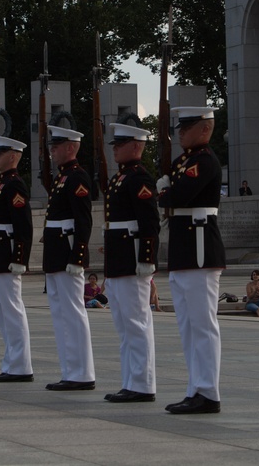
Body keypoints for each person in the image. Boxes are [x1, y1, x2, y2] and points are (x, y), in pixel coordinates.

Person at [157, 106, 225, 415]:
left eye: (187, 127)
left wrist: (166, 192)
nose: (180, 133)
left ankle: (208, 391)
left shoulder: (204, 161)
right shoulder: (183, 161)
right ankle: (195, 388)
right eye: (180, 128)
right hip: (184, 248)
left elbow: (178, 196)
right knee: (187, 325)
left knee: (202, 324)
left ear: (205, 129)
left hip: (199, 248)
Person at [103, 122, 160, 404]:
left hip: (131, 257)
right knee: (124, 326)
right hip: (118, 257)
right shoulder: (121, 178)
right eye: (114, 144)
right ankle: (131, 381)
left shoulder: (139, 178)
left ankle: (143, 383)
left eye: (120, 144)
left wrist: (147, 258)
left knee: (136, 323)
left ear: (137, 146)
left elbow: (150, 221)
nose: (115, 149)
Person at [42, 125, 96, 391]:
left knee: (73, 313)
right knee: (61, 314)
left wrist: (78, 257)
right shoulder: (62, 177)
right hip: (56, 251)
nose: (52, 151)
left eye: (57, 146)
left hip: (67, 252)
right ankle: (70, 371)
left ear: (71, 148)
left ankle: (82, 373)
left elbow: (83, 220)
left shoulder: (77, 177)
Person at [0, 137, 34, 383]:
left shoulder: (15, 185)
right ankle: (12, 363)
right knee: (1, 312)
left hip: (5, 255)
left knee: (11, 311)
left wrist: (20, 258)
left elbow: (23, 225)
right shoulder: (2, 185)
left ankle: (21, 366)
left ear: (13, 156)